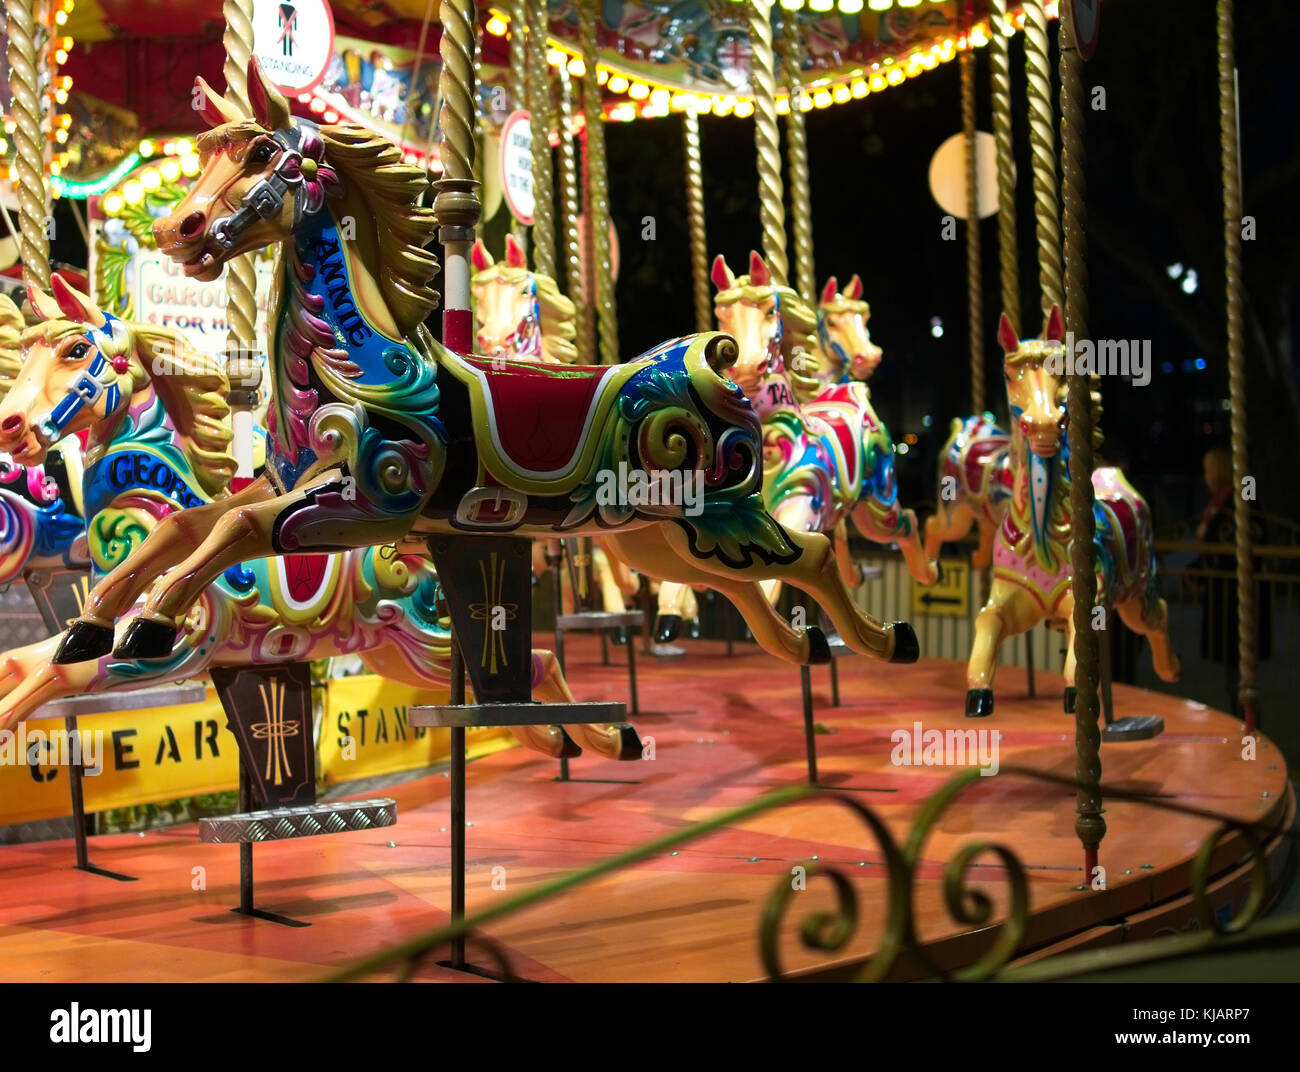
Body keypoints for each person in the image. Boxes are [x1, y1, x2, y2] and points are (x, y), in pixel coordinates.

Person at [1191, 446, 1271, 718]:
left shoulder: (1242, 494)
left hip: (1236, 596)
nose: (1206, 477)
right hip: (1227, 595)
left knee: (1239, 672)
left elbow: (1241, 534)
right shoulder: (1224, 501)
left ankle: (1248, 728)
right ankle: (1244, 723)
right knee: (1233, 672)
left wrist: (1200, 570)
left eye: (1208, 470)